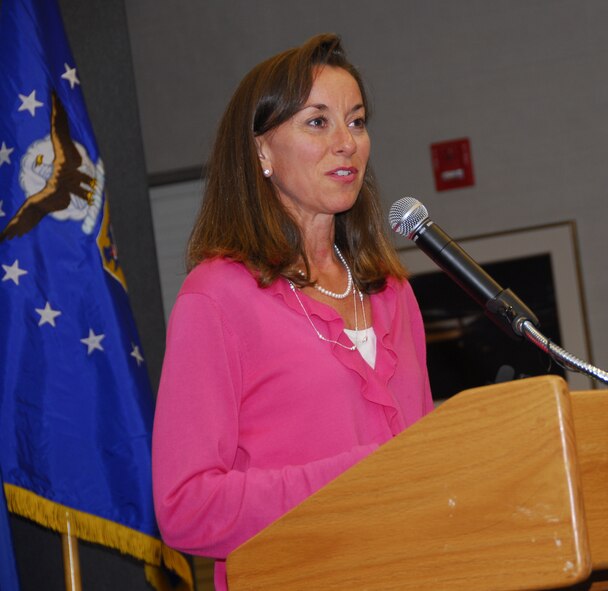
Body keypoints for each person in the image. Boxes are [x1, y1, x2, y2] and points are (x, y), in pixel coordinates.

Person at [151, 34, 434, 591]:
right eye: (317, 122)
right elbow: (184, 507)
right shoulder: (217, 296)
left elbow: (423, 465)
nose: (346, 143)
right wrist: (353, 479)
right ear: (261, 151)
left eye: (355, 121)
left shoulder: (390, 292)